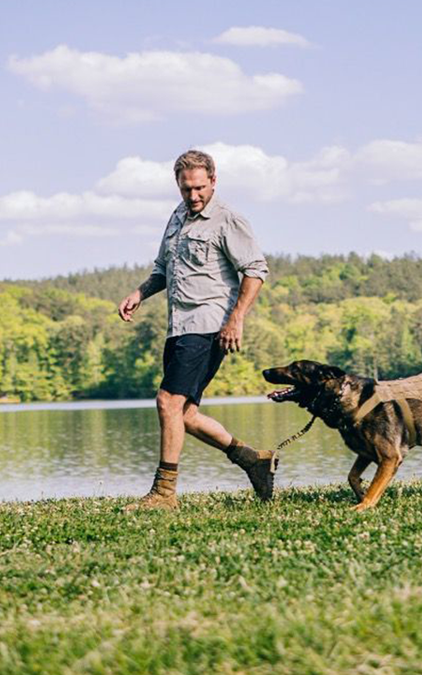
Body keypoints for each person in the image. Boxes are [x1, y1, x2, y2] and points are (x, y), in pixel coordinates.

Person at [117, 149, 273, 510]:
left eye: (200, 188)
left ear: (213, 181)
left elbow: (256, 270)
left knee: (167, 402)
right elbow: (162, 269)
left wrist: (236, 318)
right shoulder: (176, 217)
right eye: (186, 188)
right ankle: (252, 459)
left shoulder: (227, 219)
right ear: (178, 185)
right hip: (178, 326)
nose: (193, 195)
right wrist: (139, 293)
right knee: (183, 414)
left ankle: (164, 493)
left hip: (208, 325)